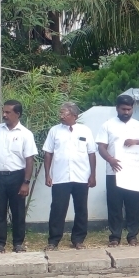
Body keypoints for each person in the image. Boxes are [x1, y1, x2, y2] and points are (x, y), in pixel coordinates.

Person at [96, 94, 139, 247]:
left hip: (134, 172)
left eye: (129, 109)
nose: (126, 112)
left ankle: (132, 236)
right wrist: (110, 160)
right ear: (117, 108)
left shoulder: (138, 125)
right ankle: (115, 236)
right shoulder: (108, 125)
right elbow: (101, 147)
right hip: (113, 172)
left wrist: (136, 142)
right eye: (123, 109)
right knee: (114, 206)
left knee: (133, 205)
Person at [43, 102, 96, 250]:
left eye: (64, 113)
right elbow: (48, 153)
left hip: (81, 176)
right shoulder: (54, 131)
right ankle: (53, 241)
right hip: (60, 177)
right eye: (60, 113)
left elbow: (91, 153)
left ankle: (78, 240)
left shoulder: (85, 130)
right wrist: (48, 174)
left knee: (81, 209)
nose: (61, 116)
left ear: (74, 116)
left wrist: (93, 175)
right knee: (58, 209)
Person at [0, 100, 37, 253]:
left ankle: (18, 243)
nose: (4, 115)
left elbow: (30, 160)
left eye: (8, 112)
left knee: (18, 212)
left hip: (17, 177)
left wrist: (26, 182)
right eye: (4, 111)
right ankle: (0, 243)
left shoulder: (26, 134)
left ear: (18, 114)